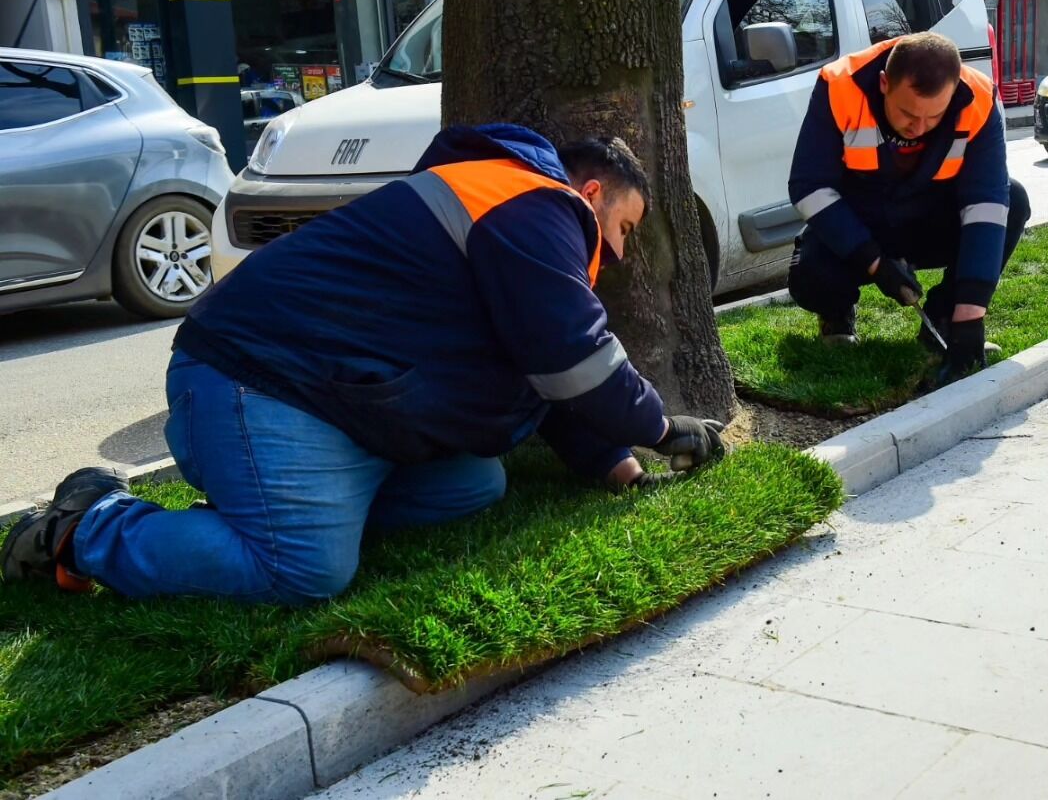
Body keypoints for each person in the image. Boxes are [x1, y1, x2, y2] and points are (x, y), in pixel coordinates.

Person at [1, 125, 725, 605]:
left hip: (329, 400)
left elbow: (543, 366)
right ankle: (86, 525)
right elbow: (570, 353)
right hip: (252, 381)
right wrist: (660, 430)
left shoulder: (508, 207)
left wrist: (619, 469)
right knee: (307, 570)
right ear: (590, 192)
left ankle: (284, 508)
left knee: (474, 484)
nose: (622, 253)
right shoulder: (538, 204)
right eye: (624, 227)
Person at [786, 32, 1030, 379]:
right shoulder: (840, 86)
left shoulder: (978, 99)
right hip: (862, 221)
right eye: (907, 113)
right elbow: (808, 186)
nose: (918, 127)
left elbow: (986, 203)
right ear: (885, 83)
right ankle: (837, 316)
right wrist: (874, 263)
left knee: (1014, 198)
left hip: (930, 218)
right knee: (809, 275)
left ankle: (944, 322)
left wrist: (971, 318)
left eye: (933, 118)